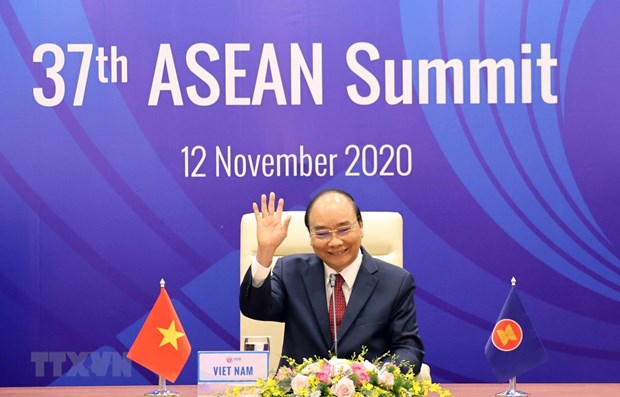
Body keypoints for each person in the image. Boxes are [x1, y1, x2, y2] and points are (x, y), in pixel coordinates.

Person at [239, 189, 425, 373]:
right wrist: (265, 251)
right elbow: (256, 309)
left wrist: (381, 376)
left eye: (343, 230)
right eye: (322, 233)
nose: (334, 242)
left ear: (360, 226)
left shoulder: (396, 282)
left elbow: (408, 349)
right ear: (310, 236)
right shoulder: (290, 271)